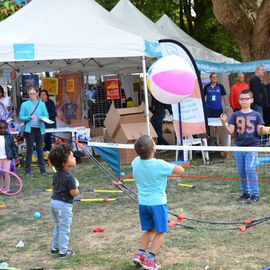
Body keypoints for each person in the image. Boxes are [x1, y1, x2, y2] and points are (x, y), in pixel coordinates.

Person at [132, 135, 185, 269]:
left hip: (143, 203)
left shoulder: (135, 162)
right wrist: (171, 166)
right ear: (154, 148)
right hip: (157, 203)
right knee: (160, 232)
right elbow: (181, 170)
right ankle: (150, 259)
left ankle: (140, 254)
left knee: (149, 229)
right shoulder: (160, 164)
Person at [220, 89, 265, 204]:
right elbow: (230, 131)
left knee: (250, 169)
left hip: (252, 147)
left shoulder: (257, 115)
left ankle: (255, 195)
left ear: (251, 100)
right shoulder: (235, 115)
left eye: (246, 99)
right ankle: (245, 193)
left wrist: (261, 130)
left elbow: (259, 133)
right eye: (241, 99)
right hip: (239, 147)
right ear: (239, 101)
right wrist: (223, 123)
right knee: (241, 171)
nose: (244, 101)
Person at [48, 143, 79, 258]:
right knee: (65, 228)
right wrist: (77, 190)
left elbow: (53, 188)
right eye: (71, 157)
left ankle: (54, 248)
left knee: (57, 225)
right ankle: (63, 252)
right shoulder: (70, 177)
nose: (74, 158)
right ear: (63, 163)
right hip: (63, 205)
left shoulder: (56, 175)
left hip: (53, 203)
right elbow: (73, 193)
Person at [19, 86, 49, 176]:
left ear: (37, 94)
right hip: (30, 129)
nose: (32, 95)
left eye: (33, 93)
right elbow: (21, 117)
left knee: (40, 149)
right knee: (29, 150)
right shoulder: (24, 104)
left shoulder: (42, 104)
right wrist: (28, 118)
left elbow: (47, 116)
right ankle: (27, 170)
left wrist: (42, 118)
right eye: (30, 94)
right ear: (28, 94)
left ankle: (42, 170)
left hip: (40, 129)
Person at [0, 120, 19, 192]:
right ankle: (1, 188)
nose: (2, 129)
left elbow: (13, 147)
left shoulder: (9, 136)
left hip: (6, 158)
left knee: (6, 173)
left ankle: (7, 189)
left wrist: (16, 157)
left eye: (4, 128)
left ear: (6, 128)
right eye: (0, 128)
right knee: (0, 174)